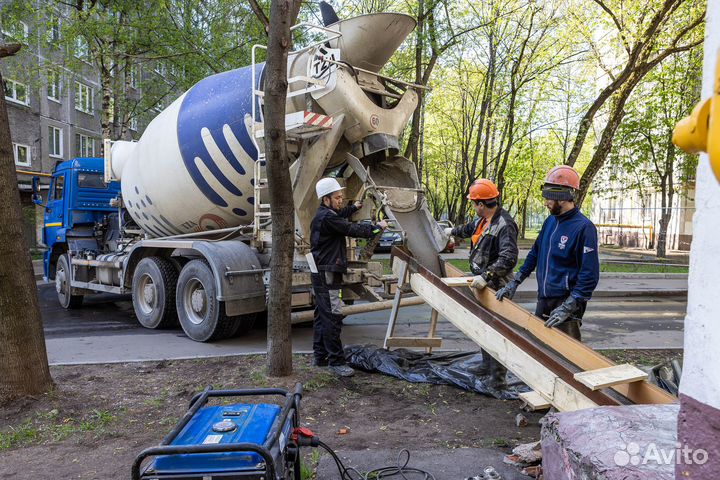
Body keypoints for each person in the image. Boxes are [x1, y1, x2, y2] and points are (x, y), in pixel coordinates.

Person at [495, 166, 599, 341]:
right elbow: (535, 253)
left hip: (567, 303)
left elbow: (589, 275)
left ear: (563, 197)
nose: (545, 203)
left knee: (566, 357)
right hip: (544, 298)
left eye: (549, 198)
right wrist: (515, 282)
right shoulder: (550, 222)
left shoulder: (584, 228)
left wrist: (569, 306)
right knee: (540, 350)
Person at [311, 177, 387, 377]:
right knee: (333, 316)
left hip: (322, 270)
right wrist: (378, 227)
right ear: (325, 199)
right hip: (327, 272)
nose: (340, 200)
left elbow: (339, 215)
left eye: (341, 197)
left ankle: (320, 356)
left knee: (322, 315)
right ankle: (336, 361)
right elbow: (352, 230)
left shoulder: (325, 214)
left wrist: (353, 208)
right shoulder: (328, 218)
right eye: (337, 198)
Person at [445, 178, 519, 386]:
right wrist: (451, 232)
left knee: (496, 330)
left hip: (498, 283)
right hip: (483, 281)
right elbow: (469, 229)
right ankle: (487, 365)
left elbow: (508, 258)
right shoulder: (483, 220)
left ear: (481, 204)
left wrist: (487, 276)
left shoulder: (504, 224)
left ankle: (498, 377)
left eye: (474, 203)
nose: (473, 207)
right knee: (484, 326)